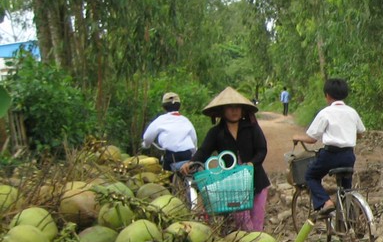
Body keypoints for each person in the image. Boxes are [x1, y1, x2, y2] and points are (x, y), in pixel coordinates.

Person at [182, 87, 272, 232]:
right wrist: (191, 162)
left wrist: (251, 164)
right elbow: (204, 151)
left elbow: (262, 150)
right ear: (222, 111)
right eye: (230, 108)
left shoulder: (252, 128)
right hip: (232, 185)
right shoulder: (216, 133)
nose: (234, 111)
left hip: (257, 181)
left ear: (242, 110)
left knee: (257, 221)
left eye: (237, 108)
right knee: (242, 223)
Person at [293, 78, 366, 215]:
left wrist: (297, 137)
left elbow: (311, 138)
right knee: (346, 189)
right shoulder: (352, 112)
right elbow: (361, 133)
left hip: (331, 155)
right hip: (349, 156)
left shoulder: (325, 113)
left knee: (310, 176)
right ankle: (349, 219)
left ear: (327, 95)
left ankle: (325, 202)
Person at [141, 92, 197, 172]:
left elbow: (147, 137)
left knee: (166, 179)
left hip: (171, 156)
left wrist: (146, 145)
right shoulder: (186, 121)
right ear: (179, 106)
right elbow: (194, 139)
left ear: (164, 107)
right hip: (187, 155)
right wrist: (194, 153)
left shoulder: (161, 120)